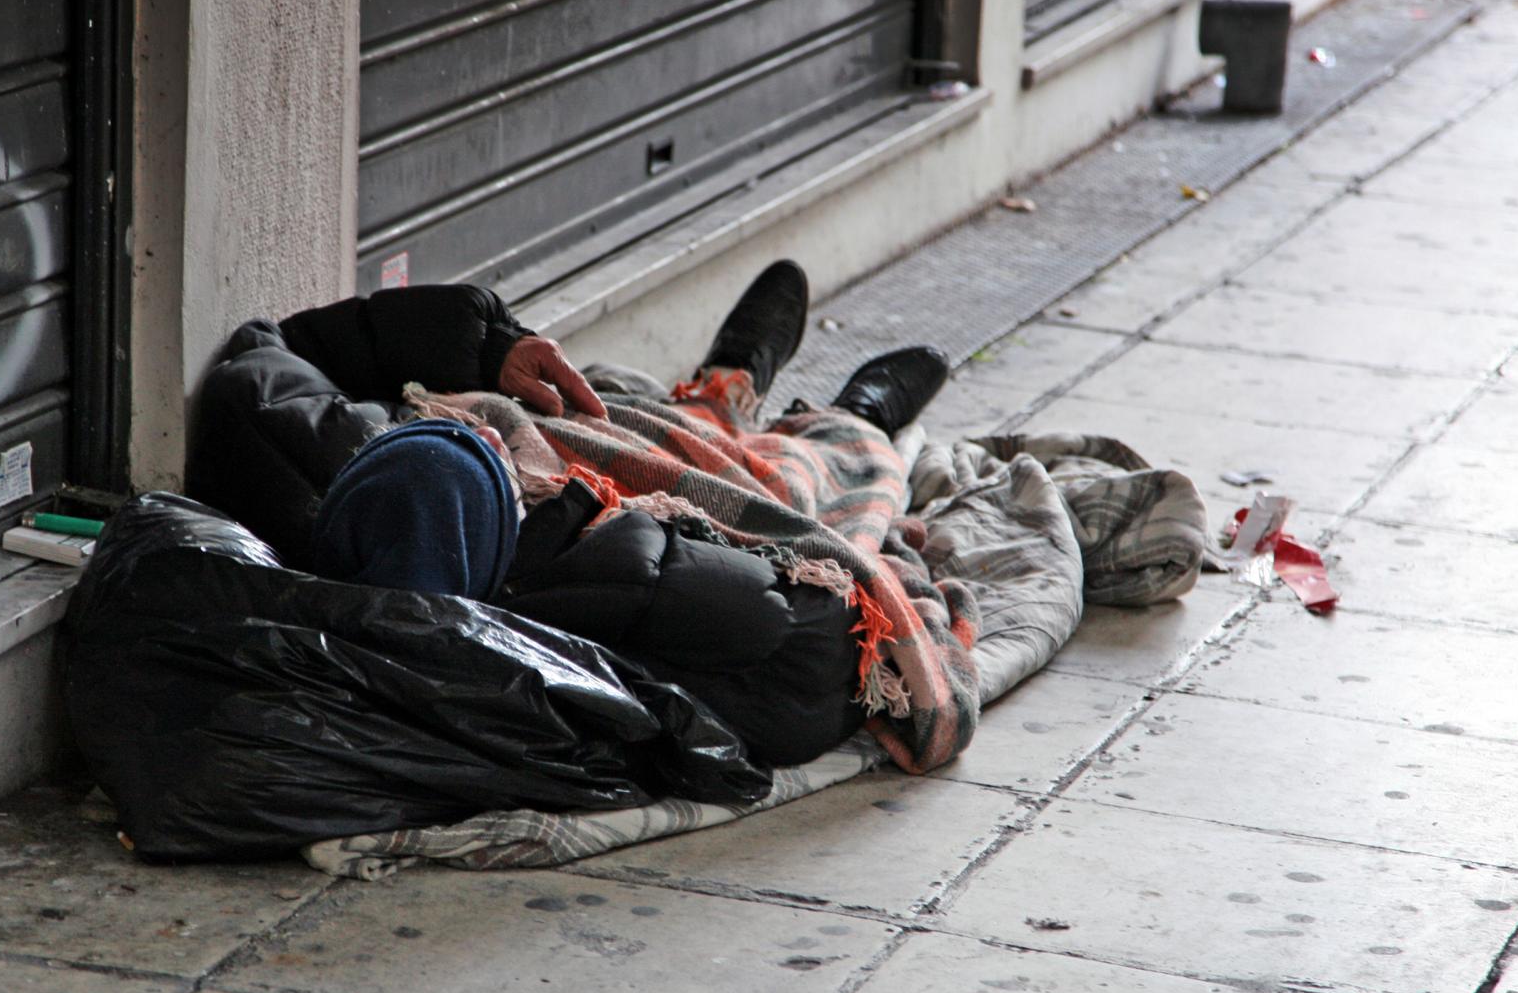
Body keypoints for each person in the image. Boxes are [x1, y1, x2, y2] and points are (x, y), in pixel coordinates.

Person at [190, 263, 975, 770]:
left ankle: (727, 383)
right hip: (623, 510)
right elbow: (820, 646)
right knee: (807, 479)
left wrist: (485, 344)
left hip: (575, 447)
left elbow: (275, 344)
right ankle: (855, 417)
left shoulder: (306, 456)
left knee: (630, 415)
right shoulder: (580, 588)